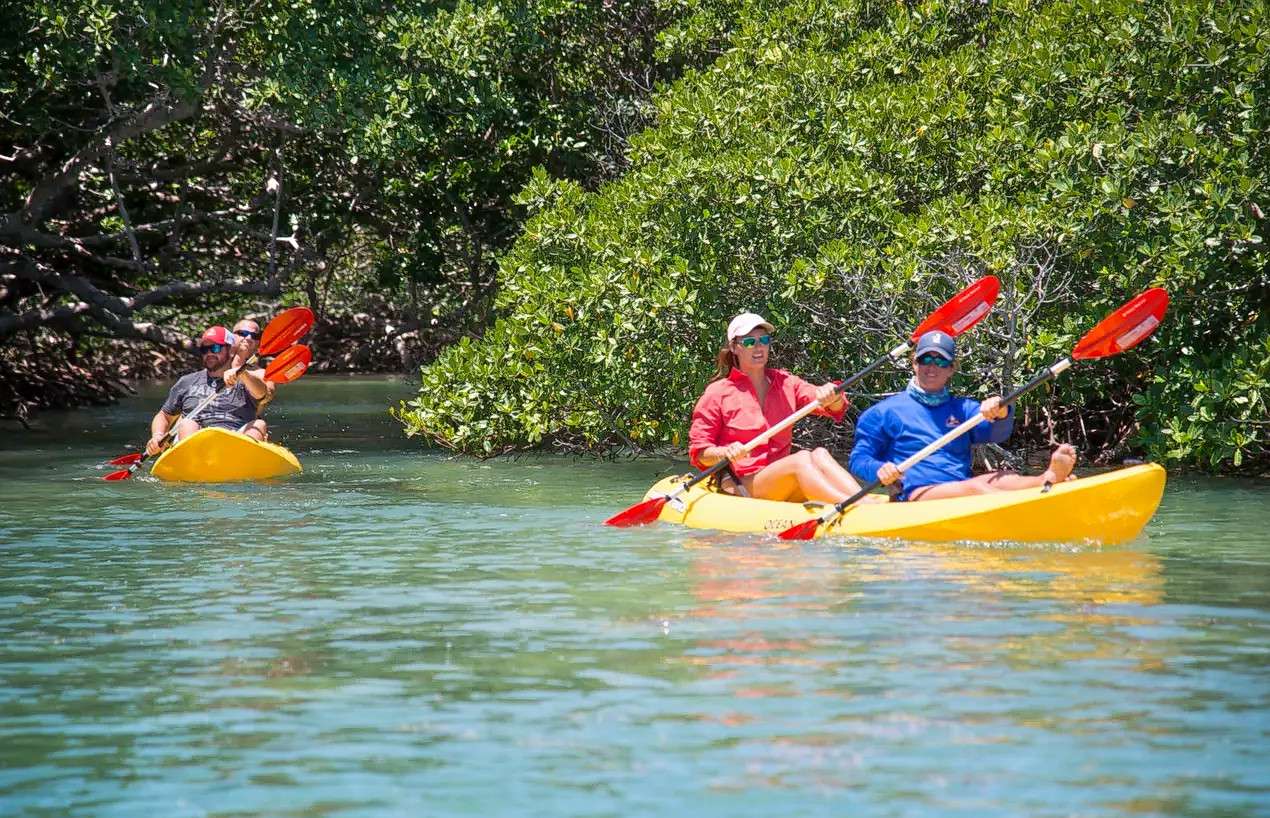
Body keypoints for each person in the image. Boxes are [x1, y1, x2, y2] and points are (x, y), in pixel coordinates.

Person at [849, 329, 1076, 501]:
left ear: (951, 369)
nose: (932, 367)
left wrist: (1001, 411)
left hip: (959, 486)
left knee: (1003, 477)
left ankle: (1045, 479)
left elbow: (997, 433)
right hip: (914, 493)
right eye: (925, 359)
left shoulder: (964, 409)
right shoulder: (882, 412)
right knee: (977, 489)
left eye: (940, 361)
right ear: (914, 364)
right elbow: (859, 459)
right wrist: (879, 470)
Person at [689, 312, 876, 504]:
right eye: (749, 342)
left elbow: (834, 407)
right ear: (734, 347)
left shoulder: (786, 382)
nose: (758, 347)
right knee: (802, 458)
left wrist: (831, 395)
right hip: (741, 484)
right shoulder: (717, 393)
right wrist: (724, 452)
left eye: (763, 340)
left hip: (781, 478)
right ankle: (855, 506)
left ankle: (864, 501)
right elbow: (700, 452)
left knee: (819, 454)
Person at [144, 325, 272, 455]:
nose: (209, 353)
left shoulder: (246, 378)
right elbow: (164, 416)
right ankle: (191, 464)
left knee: (259, 425)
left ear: (231, 350)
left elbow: (263, 395)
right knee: (187, 423)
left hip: (236, 440)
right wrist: (158, 435)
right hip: (196, 442)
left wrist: (243, 374)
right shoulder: (186, 382)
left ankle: (246, 464)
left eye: (215, 348)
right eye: (205, 349)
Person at [228, 317, 276, 438]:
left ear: (257, 343)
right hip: (211, 423)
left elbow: (266, 397)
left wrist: (244, 375)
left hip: (245, 428)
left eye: (254, 336)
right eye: (242, 333)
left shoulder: (263, 374)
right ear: (231, 337)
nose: (248, 338)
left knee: (259, 424)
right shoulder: (216, 366)